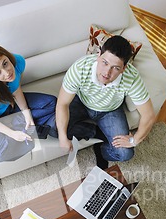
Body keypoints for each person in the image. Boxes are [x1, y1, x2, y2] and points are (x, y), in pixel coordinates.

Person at [55, 35, 156, 168]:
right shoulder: (80, 68)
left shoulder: (131, 77)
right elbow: (62, 104)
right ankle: (98, 133)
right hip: (82, 103)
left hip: (110, 110)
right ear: (98, 55)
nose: (107, 73)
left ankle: (101, 148)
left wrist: (134, 140)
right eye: (105, 62)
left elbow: (149, 114)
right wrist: (62, 137)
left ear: (124, 68)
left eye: (116, 68)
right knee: (56, 128)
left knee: (125, 154)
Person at [0, 43, 57, 162]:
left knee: (52, 103)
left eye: (5, 63)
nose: (7, 73)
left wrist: (26, 113)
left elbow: (16, 89)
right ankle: (18, 127)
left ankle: (19, 123)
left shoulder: (18, 61)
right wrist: (12, 134)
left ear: (7, 56)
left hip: (10, 104)